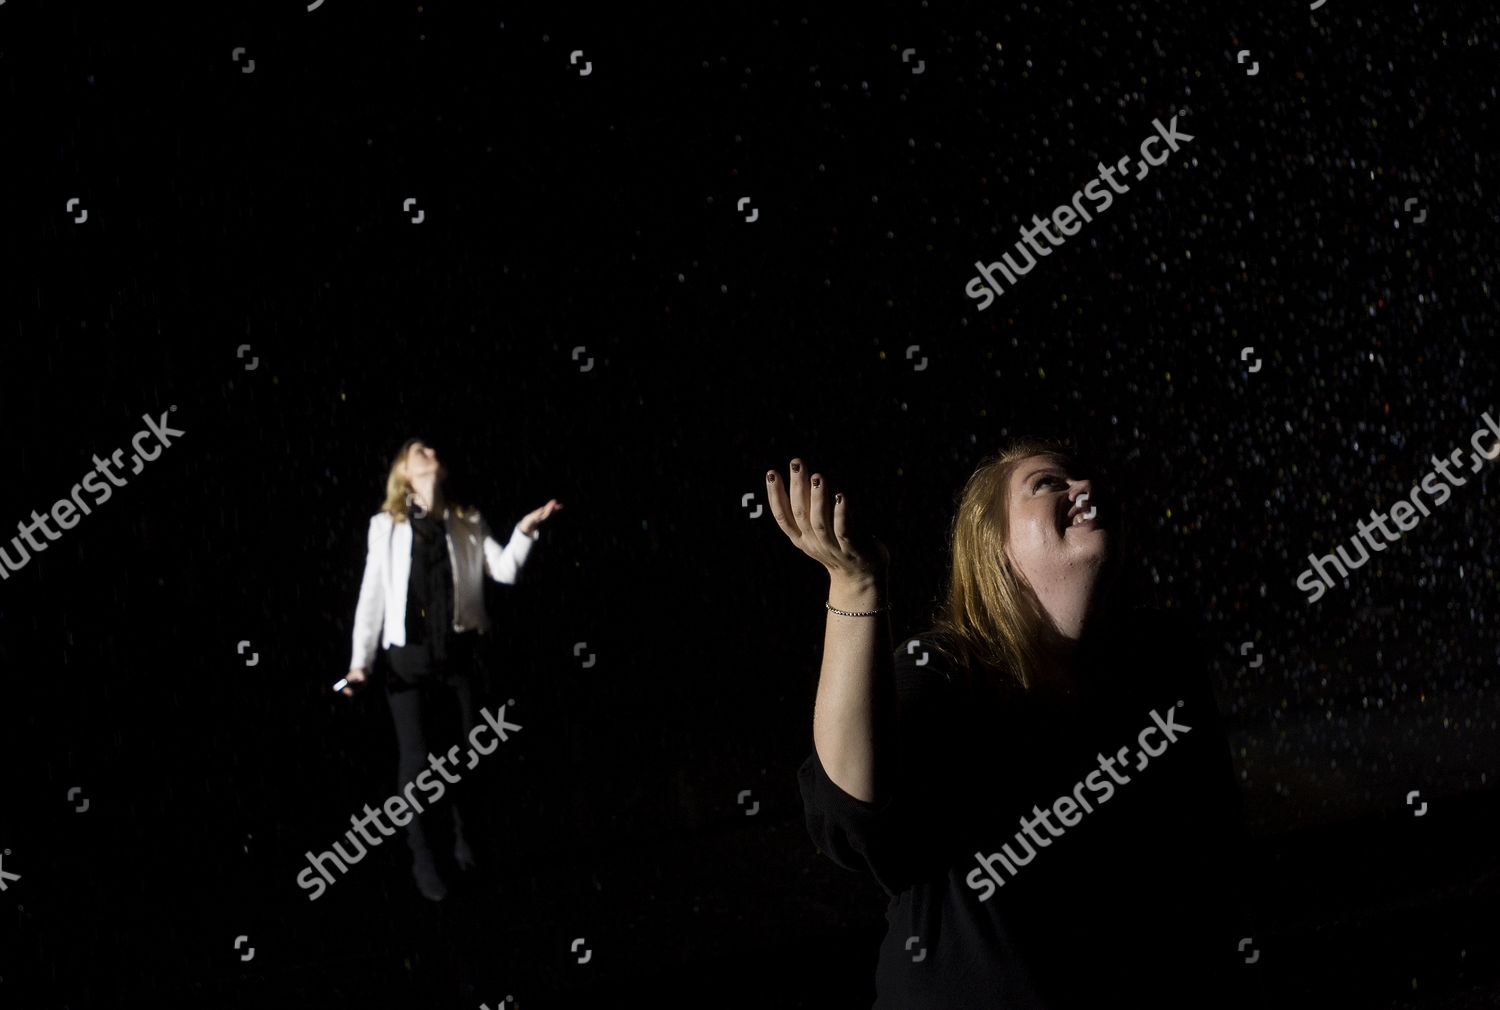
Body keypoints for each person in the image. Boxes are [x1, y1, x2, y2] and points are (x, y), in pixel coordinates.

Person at [769, 438, 1255, 1008]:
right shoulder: (946, 671)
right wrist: (857, 585)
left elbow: (1213, 857)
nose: (1085, 489)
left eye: (1083, 478)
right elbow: (849, 802)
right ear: (994, 546)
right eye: (1047, 484)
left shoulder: (1162, 662)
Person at [343, 437, 563, 901]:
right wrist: (359, 664)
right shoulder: (386, 526)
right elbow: (372, 597)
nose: (430, 453)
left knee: (468, 758)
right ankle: (426, 866)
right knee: (418, 768)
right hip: (407, 661)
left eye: (432, 449)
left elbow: (503, 572)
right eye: (418, 450)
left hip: (458, 655)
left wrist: (524, 531)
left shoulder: (467, 521)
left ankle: (470, 852)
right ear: (404, 472)